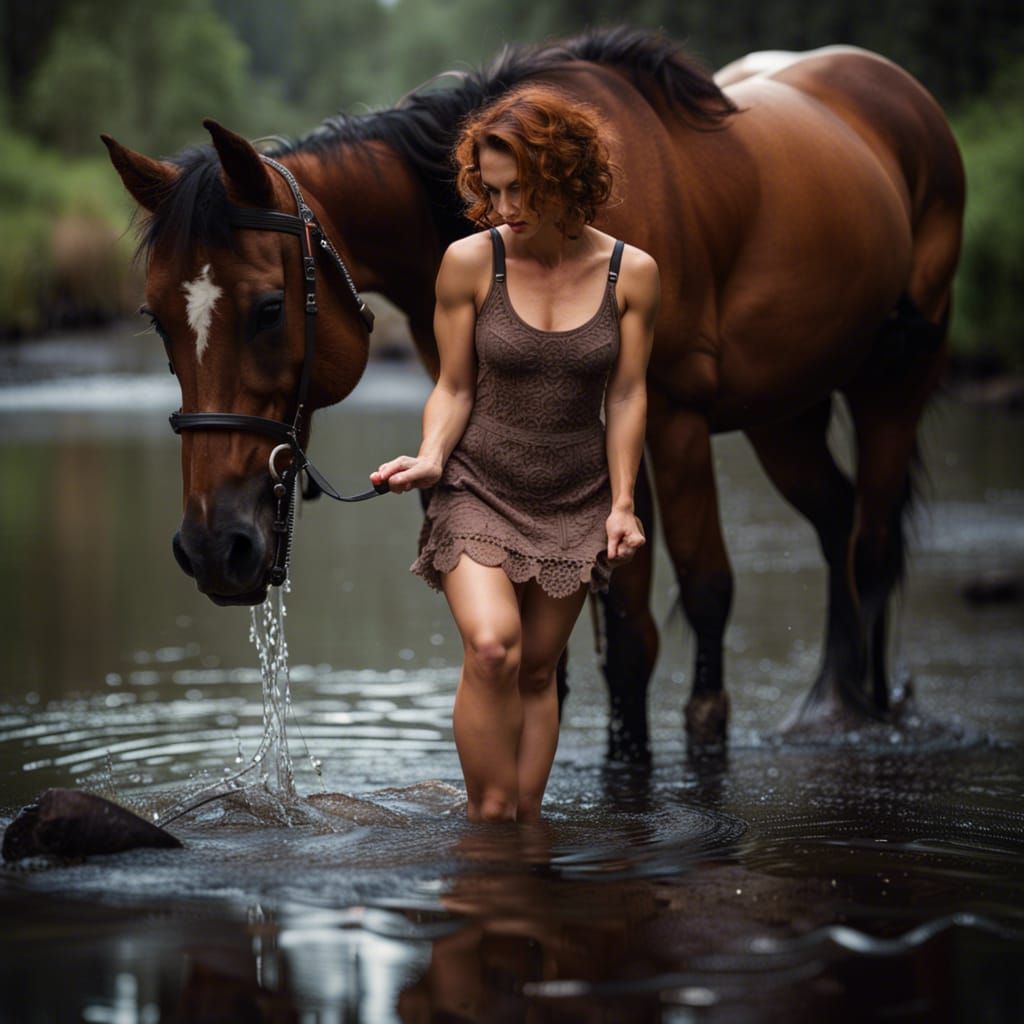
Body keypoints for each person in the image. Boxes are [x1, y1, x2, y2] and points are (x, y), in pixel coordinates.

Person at [370, 84, 659, 823]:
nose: (503, 209)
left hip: (574, 495)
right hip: (478, 484)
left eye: (519, 189)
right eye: (491, 191)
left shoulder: (634, 274)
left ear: (564, 174)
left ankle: (523, 834)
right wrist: (433, 455)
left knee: (538, 669)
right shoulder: (469, 264)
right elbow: (455, 386)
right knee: (494, 646)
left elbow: (626, 396)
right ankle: (486, 820)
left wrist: (622, 503)